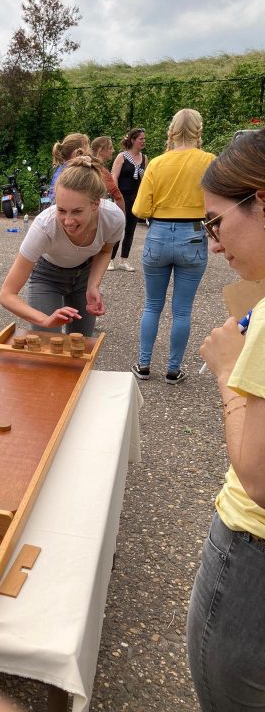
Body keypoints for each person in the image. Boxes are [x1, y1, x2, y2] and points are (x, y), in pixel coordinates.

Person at [187, 129, 265, 711]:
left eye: (215, 223)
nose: (213, 244)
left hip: (252, 550)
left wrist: (226, 370)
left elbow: (260, 480)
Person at [130, 109, 215, 385]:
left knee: (152, 305)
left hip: (159, 234)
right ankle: (173, 369)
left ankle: (144, 364)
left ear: (172, 130)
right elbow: (217, 205)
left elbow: (140, 208)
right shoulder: (209, 161)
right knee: (182, 310)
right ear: (198, 130)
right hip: (192, 235)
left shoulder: (157, 163)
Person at [0, 155, 125, 335]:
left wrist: (93, 285)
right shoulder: (44, 226)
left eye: (77, 211)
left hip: (84, 276)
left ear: (95, 204)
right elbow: (7, 294)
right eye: (61, 210)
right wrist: (45, 319)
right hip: (47, 277)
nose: (68, 221)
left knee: (80, 343)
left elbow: (105, 251)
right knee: (48, 344)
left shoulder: (113, 218)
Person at [109, 127, 148, 271]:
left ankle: (124, 260)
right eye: (141, 139)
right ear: (133, 140)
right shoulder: (122, 156)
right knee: (118, 228)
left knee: (130, 229)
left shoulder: (144, 158)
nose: (143, 141)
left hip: (136, 198)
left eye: (144, 139)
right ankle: (110, 259)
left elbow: (145, 180)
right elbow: (114, 176)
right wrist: (116, 196)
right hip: (122, 197)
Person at [48, 133, 90, 201]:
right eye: (88, 148)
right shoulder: (76, 173)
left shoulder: (61, 169)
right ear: (79, 153)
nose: (90, 151)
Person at [90, 136, 125, 215]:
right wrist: (122, 217)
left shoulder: (86, 166)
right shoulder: (101, 171)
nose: (113, 150)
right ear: (101, 150)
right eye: (110, 148)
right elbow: (118, 196)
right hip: (99, 213)